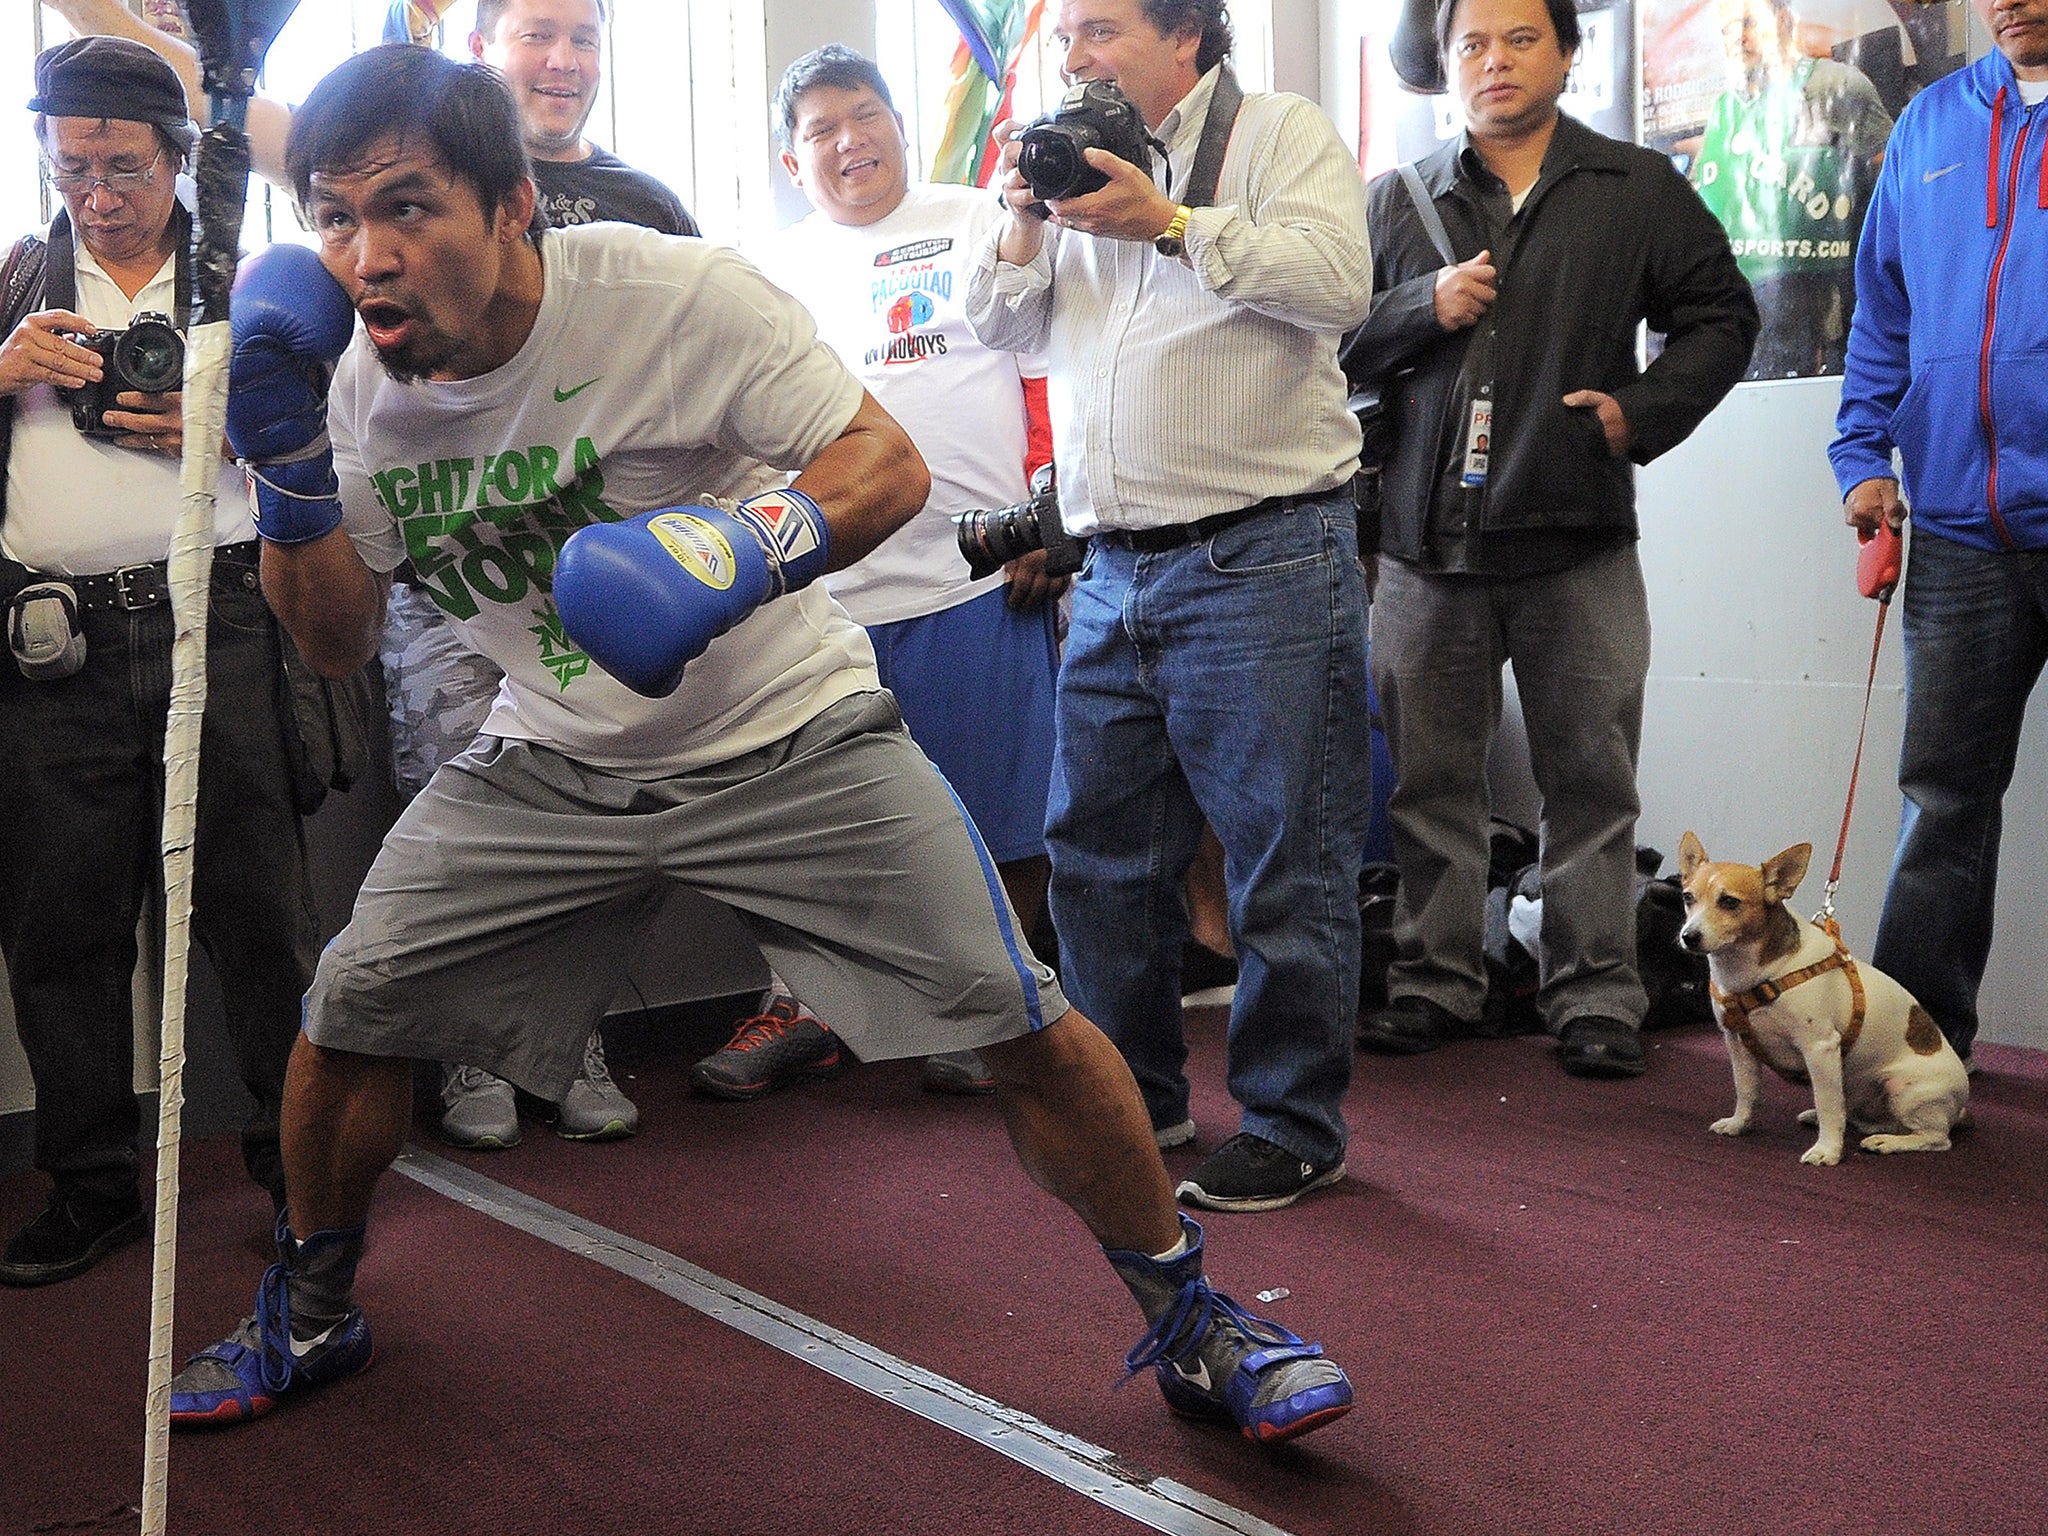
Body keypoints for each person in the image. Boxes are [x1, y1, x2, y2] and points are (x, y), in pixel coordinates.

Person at [164, 45, 1354, 1448]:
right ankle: (313, 1307)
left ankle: (1191, 1317)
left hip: (788, 734)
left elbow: (883, 463)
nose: (370, 256)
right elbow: (336, 644)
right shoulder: (339, 377)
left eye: (412, 209)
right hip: (547, 756)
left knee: (1022, 1021)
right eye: (338, 219)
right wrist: (293, 481)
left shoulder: (672, 300)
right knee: (347, 1018)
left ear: (512, 209)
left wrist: (737, 545)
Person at [967, 0, 1375, 1213]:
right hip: (1109, 570)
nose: (1073, 56)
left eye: (1097, 30)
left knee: (1281, 864)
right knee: (1094, 864)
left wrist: (1174, 223)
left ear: (1186, 36)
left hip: (1264, 558)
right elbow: (993, 327)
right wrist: (1020, 215)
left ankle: (1295, 1125)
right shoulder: (1064, 160)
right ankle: (1132, 1098)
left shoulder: (1276, 132)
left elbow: (1337, 283)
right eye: (1063, 39)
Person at [1344, 0, 1757, 1077]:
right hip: (1424, 549)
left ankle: (1593, 996)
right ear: (1443, 65)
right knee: (1429, 787)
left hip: (1576, 536)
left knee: (1591, 782)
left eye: (1519, 38)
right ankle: (1434, 980)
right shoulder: (1395, 199)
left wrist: (1637, 412)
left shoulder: (1633, 187)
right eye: (1470, 44)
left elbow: (1721, 316)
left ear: (1565, 54)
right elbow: (1326, 341)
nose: (1493, 62)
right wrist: (1416, 308)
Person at [0, 38, 318, 1285]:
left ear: (181, 157)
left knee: (257, 919)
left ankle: (301, 1177)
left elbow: (345, 440)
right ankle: (90, 1188)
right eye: (69, 162)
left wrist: (227, 423)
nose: (95, 189)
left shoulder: (253, 278)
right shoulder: (21, 279)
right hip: (51, 646)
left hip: (222, 620)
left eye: (121, 163)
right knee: (59, 926)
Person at [724, 44, 1065, 1102]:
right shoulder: (762, 270)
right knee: (803, 829)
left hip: (974, 580)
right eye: (821, 129)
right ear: (792, 162)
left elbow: (1051, 365)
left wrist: (1049, 513)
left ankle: (991, 1006)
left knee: (1000, 814)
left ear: (900, 126)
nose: (847, 141)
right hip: (817, 598)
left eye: (863, 116)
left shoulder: (978, 220)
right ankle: (801, 1006)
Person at [1828, 0, 2048, 1070]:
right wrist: (1861, 457)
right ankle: (1909, 1055)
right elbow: (1880, 311)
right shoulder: (1927, 126)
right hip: (1959, 524)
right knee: (1941, 803)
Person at [1688, 0, 1891, 379]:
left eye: (1749, 23)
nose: (1739, 38)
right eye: (1727, 30)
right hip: (1743, 328)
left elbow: (1895, 180)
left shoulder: (1834, 84)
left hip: (1828, 320)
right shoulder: (1724, 110)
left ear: (1782, 20)